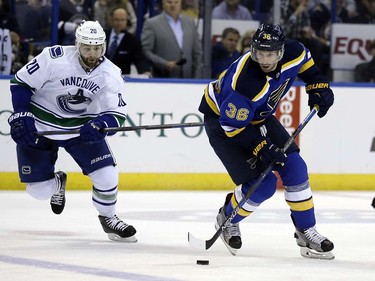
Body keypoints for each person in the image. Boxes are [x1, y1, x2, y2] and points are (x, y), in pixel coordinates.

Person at [198, 24, 335, 259]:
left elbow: (308, 66)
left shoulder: (295, 51)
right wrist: (262, 147)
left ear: (281, 52)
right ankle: (228, 216)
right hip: (225, 124)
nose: (263, 59)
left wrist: (317, 87)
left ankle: (305, 229)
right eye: (259, 53)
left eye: (270, 54)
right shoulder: (245, 84)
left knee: (295, 167)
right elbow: (232, 126)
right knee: (263, 185)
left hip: (258, 116)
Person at [7, 20, 137, 243]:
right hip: (41, 125)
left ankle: (109, 218)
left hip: (81, 129)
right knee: (38, 192)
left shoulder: (111, 73)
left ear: (103, 47)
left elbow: (116, 114)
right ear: (77, 44)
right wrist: (22, 112)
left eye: (97, 48)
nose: (92, 53)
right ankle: (57, 182)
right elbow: (21, 83)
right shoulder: (53, 58)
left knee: (107, 176)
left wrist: (100, 125)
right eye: (87, 47)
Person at [141, 0, 203, 78]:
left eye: (176, 2)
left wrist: (197, 79)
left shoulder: (190, 23)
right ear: (163, 4)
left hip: (188, 79)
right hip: (163, 78)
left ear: (180, 3)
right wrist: (164, 64)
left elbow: (197, 53)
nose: (173, 5)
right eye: (169, 2)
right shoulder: (152, 24)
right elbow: (146, 51)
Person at [105, 7, 151, 76]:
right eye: (116, 20)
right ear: (111, 20)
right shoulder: (102, 36)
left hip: (121, 79)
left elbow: (140, 60)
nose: (119, 23)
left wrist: (145, 71)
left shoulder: (132, 41)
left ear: (127, 21)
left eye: (122, 20)